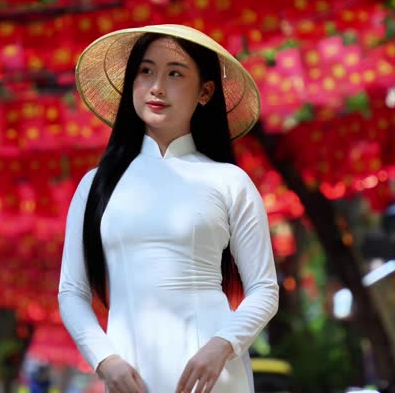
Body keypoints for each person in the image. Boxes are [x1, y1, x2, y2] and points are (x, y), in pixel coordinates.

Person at [59, 24, 279, 393]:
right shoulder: (96, 186)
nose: (156, 86)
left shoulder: (229, 182)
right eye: (146, 71)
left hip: (212, 376)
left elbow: (264, 288)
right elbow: (71, 290)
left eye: (174, 73)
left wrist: (223, 344)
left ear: (206, 91)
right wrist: (104, 360)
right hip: (129, 378)